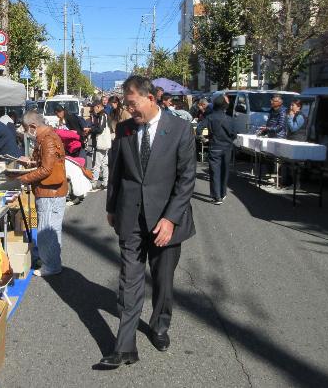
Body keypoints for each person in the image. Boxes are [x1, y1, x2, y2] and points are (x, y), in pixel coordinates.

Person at [97, 75, 196, 370]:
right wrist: (112, 207)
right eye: (126, 105)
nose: (128, 110)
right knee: (129, 279)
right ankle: (124, 346)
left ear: (150, 98)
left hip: (167, 219)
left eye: (132, 104)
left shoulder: (179, 129)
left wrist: (169, 219)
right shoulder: (125, 130)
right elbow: (116, 172)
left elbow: (186, 180)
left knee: (163, 280)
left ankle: (160, 325)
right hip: (131, 217)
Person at [17, 111, 68, 277]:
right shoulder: (48, 137)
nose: (26, 133)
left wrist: (23, 179)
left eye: (26, 129)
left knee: (47, 230)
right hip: (51, 191)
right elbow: (46, 164)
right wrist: (31, 162)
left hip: (50, 192)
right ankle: (52, 262)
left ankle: (51, 265)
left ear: (33, 126)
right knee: (51, 229)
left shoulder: (47, 140)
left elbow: (46, 169)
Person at [197, 95, 236, 204]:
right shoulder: (229, 118)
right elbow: (234, 135)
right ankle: (223, 193)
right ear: (224, 105)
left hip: (214, 147)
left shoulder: (210, 117)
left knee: (215, 172)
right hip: (227, 148)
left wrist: (204, 139)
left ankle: (216, 196)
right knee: (225, 171)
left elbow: (199, 129)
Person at [87, 98, 111, 189]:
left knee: (97, 164)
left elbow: (100, 129)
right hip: (105, 143)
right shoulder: (105, 114)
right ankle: (105, 182)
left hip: (101, 143)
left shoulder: (102, 115)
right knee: (104, 164)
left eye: (94, 108)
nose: (93, 110)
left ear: (98, 106)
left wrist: (90, 130)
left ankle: (94, 183)